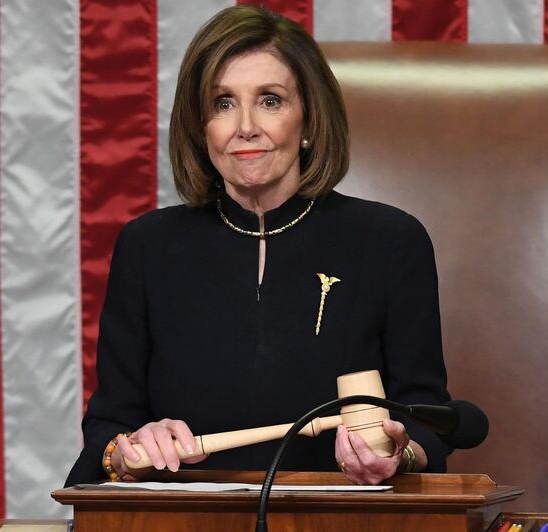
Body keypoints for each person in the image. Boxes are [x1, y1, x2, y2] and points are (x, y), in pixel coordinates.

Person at [65, 5, 450, 488]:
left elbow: (431, 425)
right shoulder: (147, 247)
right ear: (200, 127)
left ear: (308, 121)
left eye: (270, 100)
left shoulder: (392, 242)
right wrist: (125, 451)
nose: (245, 125)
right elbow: (107, 427)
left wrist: (400, 453)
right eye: (222, 103)